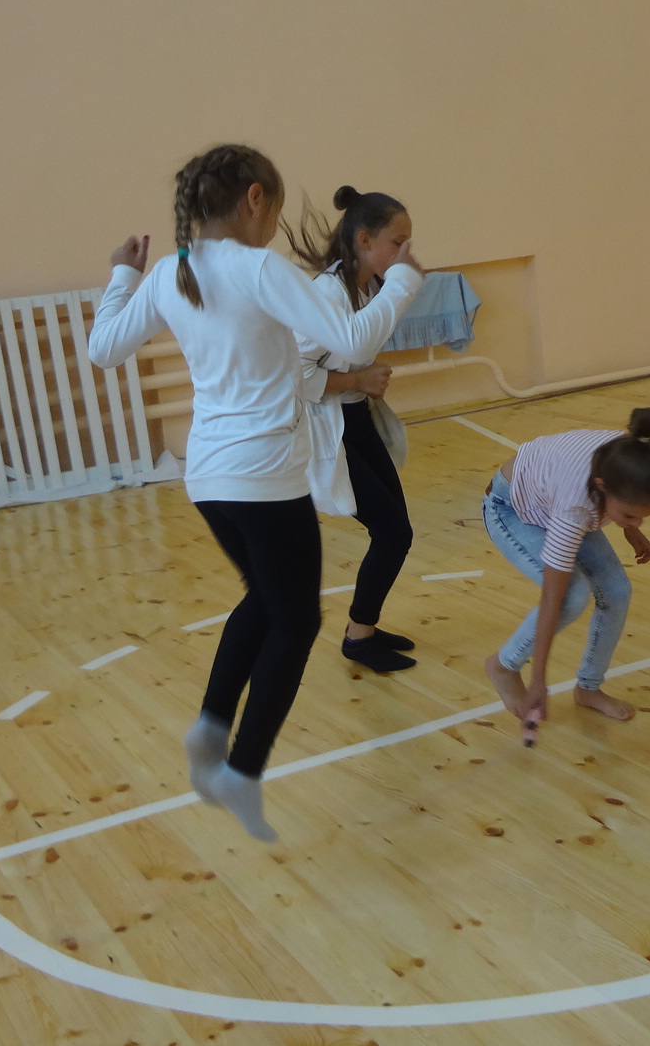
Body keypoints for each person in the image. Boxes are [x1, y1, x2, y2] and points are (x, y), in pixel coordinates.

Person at [85, 145, 422, 841]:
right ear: (255, 199)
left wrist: (122, 273)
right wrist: (403, 283)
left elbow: (103, 348)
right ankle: (240, 770)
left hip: (208, 476)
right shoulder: (259, 268)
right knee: (295, 622)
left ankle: (211, 729)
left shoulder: (171, 270)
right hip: (264, 475)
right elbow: (350, 333)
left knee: (266, 601)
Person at [284, 187, 420, 674]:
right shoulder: (326, 293)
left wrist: (360, 382)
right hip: (330, 429)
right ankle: (358, 637)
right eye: (397, 242)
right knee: (392, 532)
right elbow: (294, 375)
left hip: (356, 421)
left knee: (396, 529)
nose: (405, 252)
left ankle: (363, 629)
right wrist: (357, 380)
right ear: (364, 240)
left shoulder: (364, 286)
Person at [481, 408, 650, 745]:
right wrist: (538, 680)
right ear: (602, 488)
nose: (637, 521)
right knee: (572, 595)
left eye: (644, 517)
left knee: (617, 591)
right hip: (512, 509)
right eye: (629, 516)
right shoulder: (575, 507)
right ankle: (504, 666)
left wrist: (631, 529)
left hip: (554, 497)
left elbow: (626, 500)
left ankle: (588, 688)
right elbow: (552, 597)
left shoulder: (635, 453)